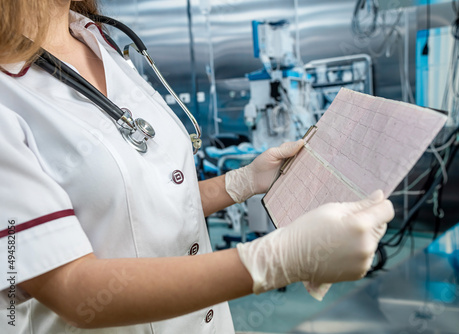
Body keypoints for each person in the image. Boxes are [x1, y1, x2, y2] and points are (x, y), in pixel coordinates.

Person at [0, 0, 394, 332]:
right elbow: (72, 288)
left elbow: (143, 202)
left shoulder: (97, 39)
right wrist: (277, 259)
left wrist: (241, 182)